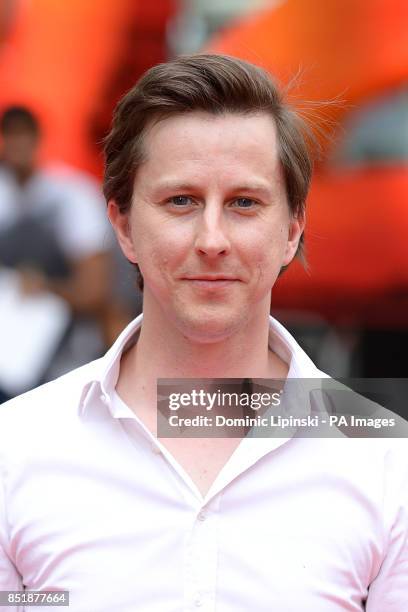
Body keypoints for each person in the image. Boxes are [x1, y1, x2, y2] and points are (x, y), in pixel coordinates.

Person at [0, 54, 406, 611]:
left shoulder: (385, 460)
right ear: (123, 227)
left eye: (244, 202)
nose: (212, 239)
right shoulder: (15, 448)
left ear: (291, 231)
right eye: (181, 201)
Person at [0, 106, 113, 398]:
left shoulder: (72, 196)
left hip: (65, 352)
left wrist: (45, 287)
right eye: (9, 136)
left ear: (37, 139)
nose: (16, 145)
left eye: (23, 135)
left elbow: (94, 291)